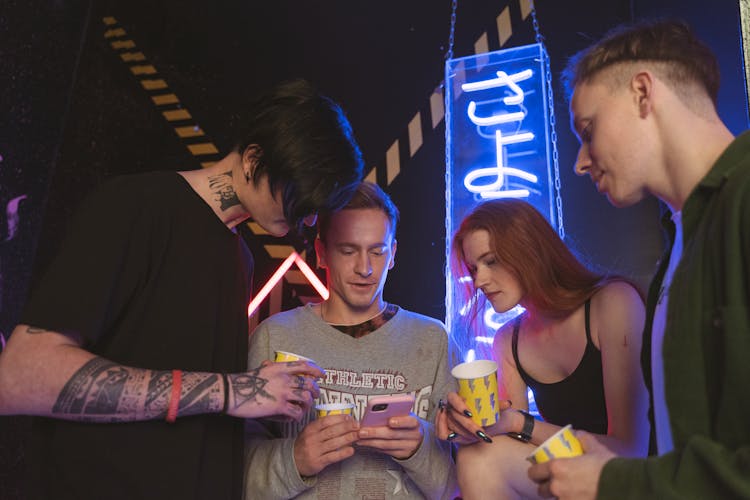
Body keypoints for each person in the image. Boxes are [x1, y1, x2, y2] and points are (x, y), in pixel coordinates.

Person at [0, 79, 364, 500]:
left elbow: (186, 419)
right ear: (253, 159)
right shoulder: (137, 207)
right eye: (302, 199)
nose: (311, 222)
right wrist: (233, 391)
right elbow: (20, 377)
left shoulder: (240, 258)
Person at [526, 19, 750, 499]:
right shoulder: (681, 242)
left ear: (643, 93)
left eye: (588, 130)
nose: (580, 161)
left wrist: (615, 483)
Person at [244, 181, 460, 499]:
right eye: (348, 251)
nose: (365, 268)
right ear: (321, 252)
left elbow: (459, 485)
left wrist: (419, 449)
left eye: (377, 251)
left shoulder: (433, 340)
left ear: (393, 254)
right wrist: (296, 460)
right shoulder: (275, 336)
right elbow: (234, 476)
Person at [435, 199, 649, 499]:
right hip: (569, 475)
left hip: (633, 480)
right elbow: (508, 441)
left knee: (482, 460)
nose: (479, 280)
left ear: (529, 249)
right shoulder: (508, 340)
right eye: (473, 267)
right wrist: (469, 428)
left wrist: (518, 423)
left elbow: (630, 451)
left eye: (491, 260)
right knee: (478, 455)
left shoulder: (612, 303)